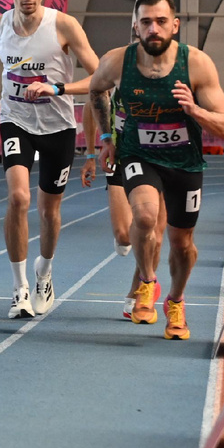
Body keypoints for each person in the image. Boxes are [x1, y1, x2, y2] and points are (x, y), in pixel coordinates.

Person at [89, 0, 224, 340]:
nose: (154, 28)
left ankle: (176, 301)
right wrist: (106, 138)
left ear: (175, 25)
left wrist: (195, 111)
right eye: (146, 22)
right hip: (138, 154)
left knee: (182, 244)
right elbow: (95, 91)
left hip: (184, 161)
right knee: (144, 216)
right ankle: (147, 282)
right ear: (135, 26)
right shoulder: (116, 62)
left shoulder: (196, 64)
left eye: (161, 21)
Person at [0, 0, 99, 320]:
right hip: (17, 122)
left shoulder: (64, 25)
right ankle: (19, 287)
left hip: (58, 126)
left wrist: (57, 88)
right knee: (18, 197)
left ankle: (44, 272)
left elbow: (99, 76)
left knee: (48, 210)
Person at [81, 97, 163, 320]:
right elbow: (91, 102)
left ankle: (138, 293)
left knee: (154, 233)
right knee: (125, 236)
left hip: (159, 156)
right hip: (121, 155)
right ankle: (138, 239)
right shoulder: (114, 77)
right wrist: (91, 154)